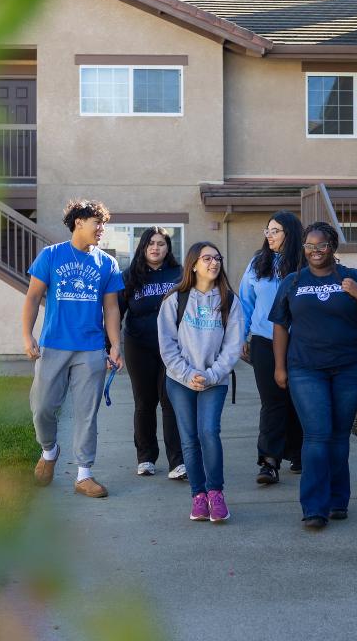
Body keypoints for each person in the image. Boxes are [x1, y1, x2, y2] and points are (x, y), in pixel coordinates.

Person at [269, 222, 357, 530]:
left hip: (348, 368)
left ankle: (337, 500)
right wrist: (279, 367)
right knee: (317, 435)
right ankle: (314, 507)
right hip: (305, 368)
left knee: (338, 435)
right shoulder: (293, 281)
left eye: (321, 246)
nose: (315, 251)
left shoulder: (353, 277)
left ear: (332, 247)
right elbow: (280, 325)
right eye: (309, 246)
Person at [23, 199, 124, 498]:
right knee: (41, 408)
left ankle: (84, 474)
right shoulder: (51, 256)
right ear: (79, 222)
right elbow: (32, 298)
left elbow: (112, 308)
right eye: (97, 223)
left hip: (90, 348)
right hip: (53, 345)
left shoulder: (107, 263)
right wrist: (28, 336)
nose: (101, 229)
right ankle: (50, 450)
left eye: (103, 224)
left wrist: (115, 345)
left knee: (86, 414)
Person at [158, 242, 243, 523]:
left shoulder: (229, 300)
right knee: (190, 439)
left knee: (209, 432)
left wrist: (210, 375)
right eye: (207, 258)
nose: (214, 263)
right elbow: (167, 345)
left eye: (217, 258)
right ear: (193, 264)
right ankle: (198, 496)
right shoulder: (175, 299)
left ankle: (216, 494)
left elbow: (233, 347)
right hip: (180, 380)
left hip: (214, 381)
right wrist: (187, 374)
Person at [238, 211, 304, 485]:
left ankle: (299, 454)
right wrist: (241, 337)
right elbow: (244, 302)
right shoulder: (258, 263)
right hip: (264, 341)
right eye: (267, 230)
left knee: (299, 399)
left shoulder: (305, 263)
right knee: (272, 401)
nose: (269, 235)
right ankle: (269, 462)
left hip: (301, 342)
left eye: (275, 230)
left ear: (290, 233)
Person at [119, 226, 186, 480]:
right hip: (139, 346)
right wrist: (110, 346)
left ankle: (177, 462)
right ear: (143, 247)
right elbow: (118, 312)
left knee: (170, 401)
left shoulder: (178, 275)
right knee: (144, 403)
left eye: (161, 243)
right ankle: (145, 458)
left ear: (168, 247)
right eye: (151, 243)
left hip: (173, 347)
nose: (155, 248)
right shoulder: (130, 276)